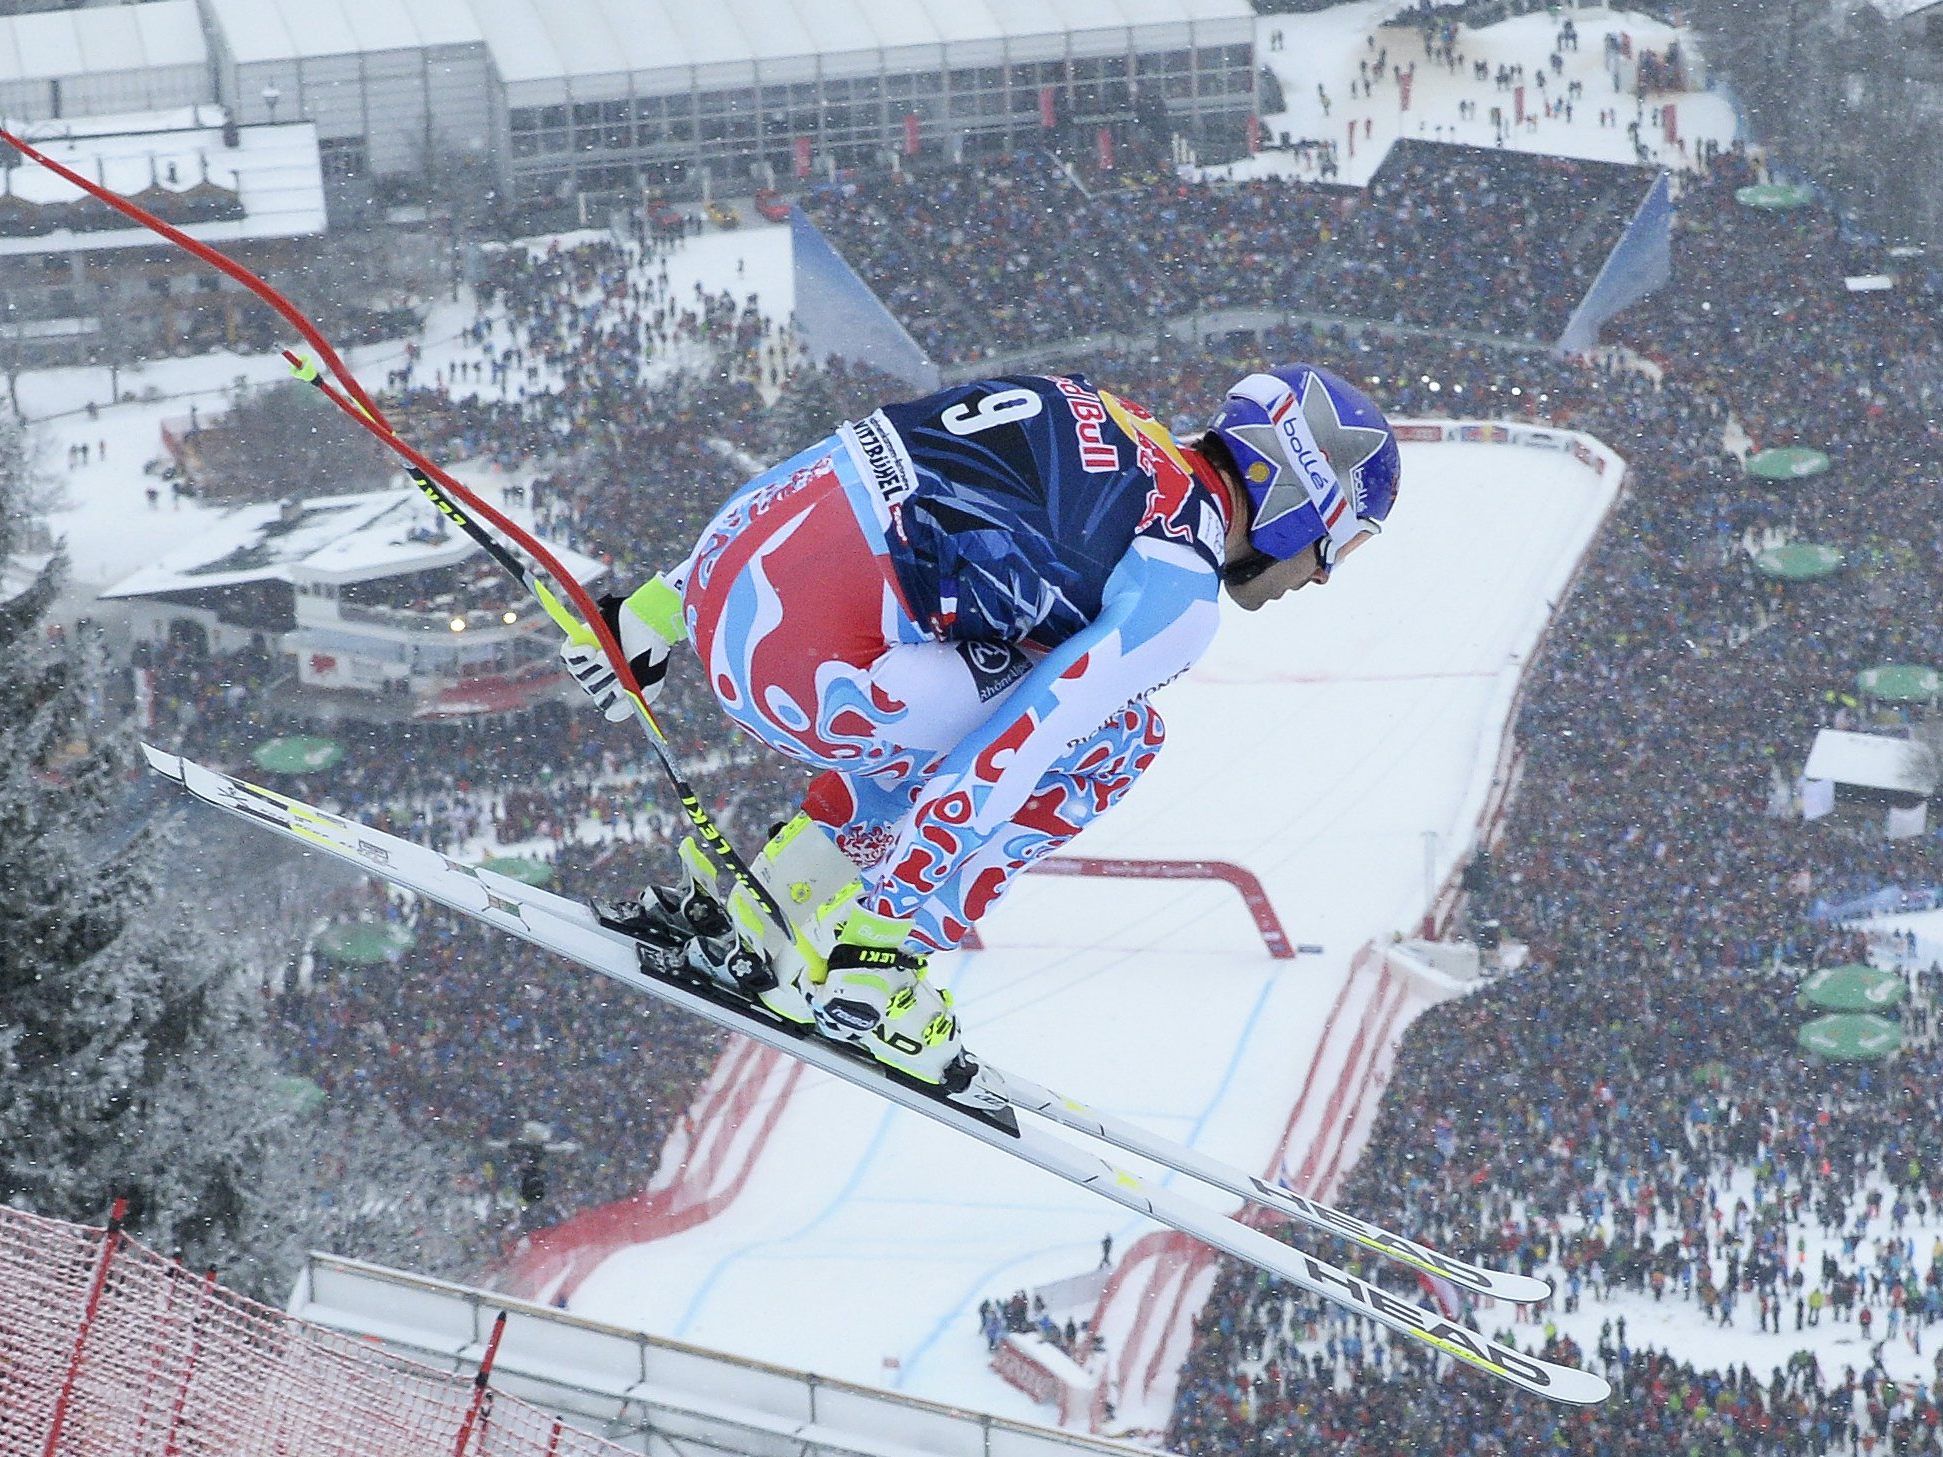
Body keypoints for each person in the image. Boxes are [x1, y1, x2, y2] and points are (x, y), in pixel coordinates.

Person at [561, 366, 1401, 1106]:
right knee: (1116, 738)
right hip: (811, 678)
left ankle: (774, 902)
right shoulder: (1178, 581)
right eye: (1342, 544)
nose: (1323, 573)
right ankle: (877, 974)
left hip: (730, 600)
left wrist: (651, 611)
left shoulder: (1095, 410)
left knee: (1013, 651)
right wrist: (887, 934)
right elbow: (1012, 752)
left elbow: (853, 466)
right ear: (1302, 501)